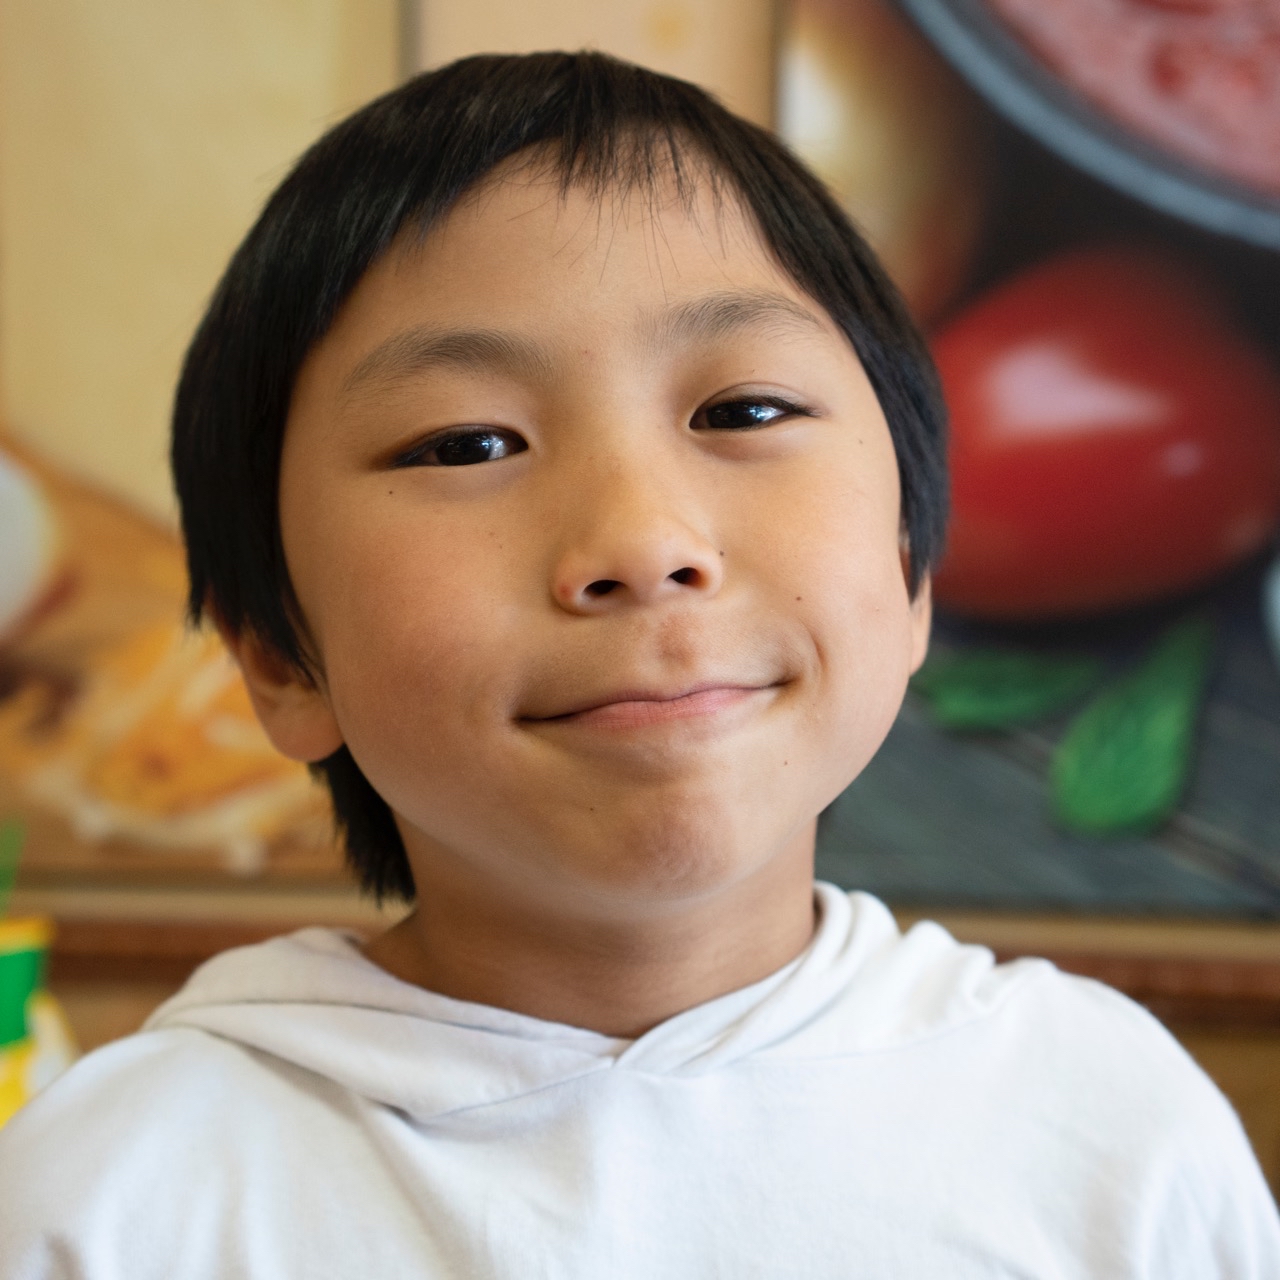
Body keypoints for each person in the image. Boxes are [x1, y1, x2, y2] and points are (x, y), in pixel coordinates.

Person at [0, 51, 1276, 1279]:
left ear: (907, 576)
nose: (641, 542)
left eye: (744, 411)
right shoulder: (113, 1199)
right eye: (466, 442)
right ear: (281, 654)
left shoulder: (1101, 1128)